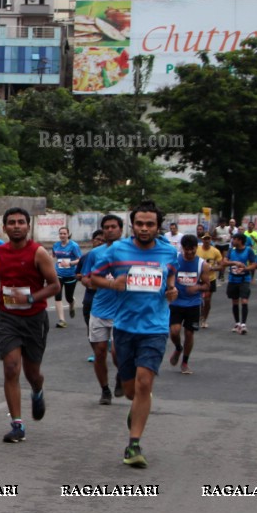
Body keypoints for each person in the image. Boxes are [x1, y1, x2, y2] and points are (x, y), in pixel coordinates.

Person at [90, 200, 178, 468]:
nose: (144, 228)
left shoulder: (168, 252)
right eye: (139, 223)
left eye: (150, 224)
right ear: (132, 225)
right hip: (125, 327)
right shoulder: (117, 250)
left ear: (158, 226)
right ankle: (137, 404)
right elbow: (93, 278)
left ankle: (134, 445)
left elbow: (170, 278)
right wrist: (111, 283)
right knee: (130, 391)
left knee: (144, 383)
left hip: (155, 328)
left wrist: (172, 290)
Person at [0, 207, 60, 443]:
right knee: (11, 367)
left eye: (21, 222)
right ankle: (17, 424)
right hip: (8, 317)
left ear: (28, 226)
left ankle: (37, 390)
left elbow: (54, 286)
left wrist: (29, 298)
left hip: (34, 319)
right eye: (11, 222)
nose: (16, 226)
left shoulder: (38, 253)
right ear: (5, 227)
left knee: (32, 372)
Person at [80, 215, 124, 403]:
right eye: (106, 227)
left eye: (113, 227)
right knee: (99, 352)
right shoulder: (95, 254)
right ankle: (105, 390)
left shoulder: (128, 252)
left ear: (121, 230)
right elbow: (85, 277)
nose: (109, 230)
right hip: (99, 309)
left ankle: (121, 375)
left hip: (122, 311)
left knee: (116, 353)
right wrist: (97, 283)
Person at [169, 235, 208, 375]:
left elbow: (207, 285)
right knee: (174, 331)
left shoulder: (202, 264)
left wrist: (197, 288)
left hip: (193, 303)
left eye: (192, 250)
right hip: (176, 302)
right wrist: (171, 287)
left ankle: (185, 362)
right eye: (187, 250)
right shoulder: (175, 260)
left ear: (196, 248)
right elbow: (168, 276)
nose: (190, 253)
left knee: (189, 333)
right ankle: (178, 347)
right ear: (182, 248)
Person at [224, 232, 257, 334]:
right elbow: (224, 262)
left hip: (244, 279)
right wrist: (235, 263)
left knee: (244, 301)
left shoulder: (248, 250)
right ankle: (237, 323)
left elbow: (254, 265)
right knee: (234, 301)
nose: (233, 241)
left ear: (240, 240)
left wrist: (245, 268)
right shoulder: (231, 251)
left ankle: (243, 324)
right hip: (233, 279)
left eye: (234, 239)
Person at [51, 226, 81, 328]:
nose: (62, 235)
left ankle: (71, 303)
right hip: (58, 274)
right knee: (57, 296)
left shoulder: (74, 246)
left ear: (68, 234)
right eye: (61, 233)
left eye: (64, 233)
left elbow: (79, 259)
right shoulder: (56, 245)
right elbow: (53, 257)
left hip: (71, 274)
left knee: (68, 297)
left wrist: (70, 263)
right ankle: (62, 320)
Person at [196, 233, 222, 329]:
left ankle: (204, 319)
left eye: (208, 239)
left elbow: (221, 265)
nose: (206, 241)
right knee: (197, 300)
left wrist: (213, 268)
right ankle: (197, 316)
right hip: (198, 278)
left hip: (210, 279)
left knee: (207, 300)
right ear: (202, 240)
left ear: (210, 239)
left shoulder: (215, 251)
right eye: (205, 239)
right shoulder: (197, 250)